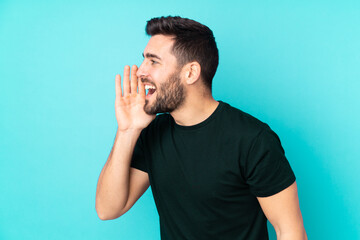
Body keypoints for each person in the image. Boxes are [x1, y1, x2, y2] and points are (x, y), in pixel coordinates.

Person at [95, 16, 307, 240]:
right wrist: (127, 131)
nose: (140, 72)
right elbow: (108, 209)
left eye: (153, 61)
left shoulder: (253, 139)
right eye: (144, 60)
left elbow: (290, 231)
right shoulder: (153, 133)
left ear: (190, 73)